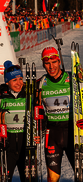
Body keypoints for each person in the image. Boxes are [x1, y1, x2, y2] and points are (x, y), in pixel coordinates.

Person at [38, 47, 73, 182]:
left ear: (59, 61)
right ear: (43, 64)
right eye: (47, 63)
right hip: (52, 133)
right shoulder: (41, 83)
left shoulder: (72, 78)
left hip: (72, 132)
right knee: (52, 178)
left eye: (54, 62)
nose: (51, 66)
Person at [0, 60, 26, 182]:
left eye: (20, 79)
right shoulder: (0, 97)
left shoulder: (28, 94)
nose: (19, 83)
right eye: (14, 80)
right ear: (7, 81)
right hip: (8, 147)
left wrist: (39, 131)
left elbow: (41, 116)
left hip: (26, 144)